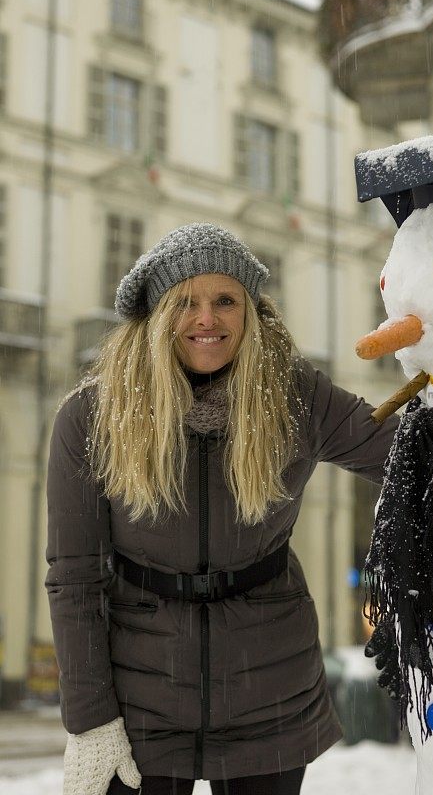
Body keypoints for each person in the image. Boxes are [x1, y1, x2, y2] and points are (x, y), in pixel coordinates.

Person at [46, 223, 399, 795]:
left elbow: (406, 459)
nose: (206, 319)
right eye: (184, 301)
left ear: (251, 313)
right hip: (140, 703)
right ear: (157, 315)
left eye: (225, 300)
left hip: (270, 694)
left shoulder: (296, 396)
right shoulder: (91, 416)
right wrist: (90, 721)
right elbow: (74, 576)